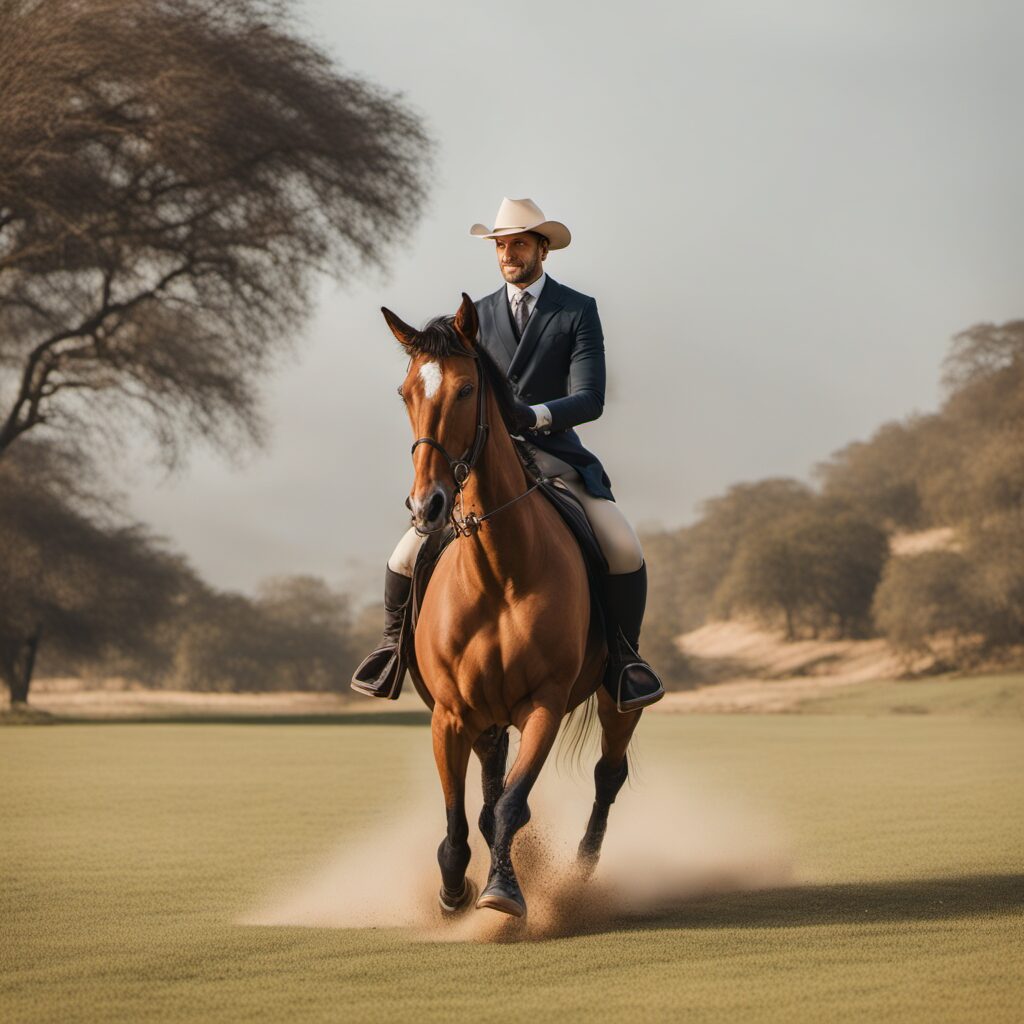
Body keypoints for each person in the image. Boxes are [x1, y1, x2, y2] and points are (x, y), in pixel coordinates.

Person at [352, 197, 664, 711]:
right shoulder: (470, 319)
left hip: (557, 458)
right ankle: (391, 650)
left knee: (623, 545)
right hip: (483, 466)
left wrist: (532, 415)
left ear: (543, 248)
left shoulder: (576, 310)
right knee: (405, 554)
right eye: (501, 245)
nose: (508, 253)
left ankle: (623, 661)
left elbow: (591, 397)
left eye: (518, 243)